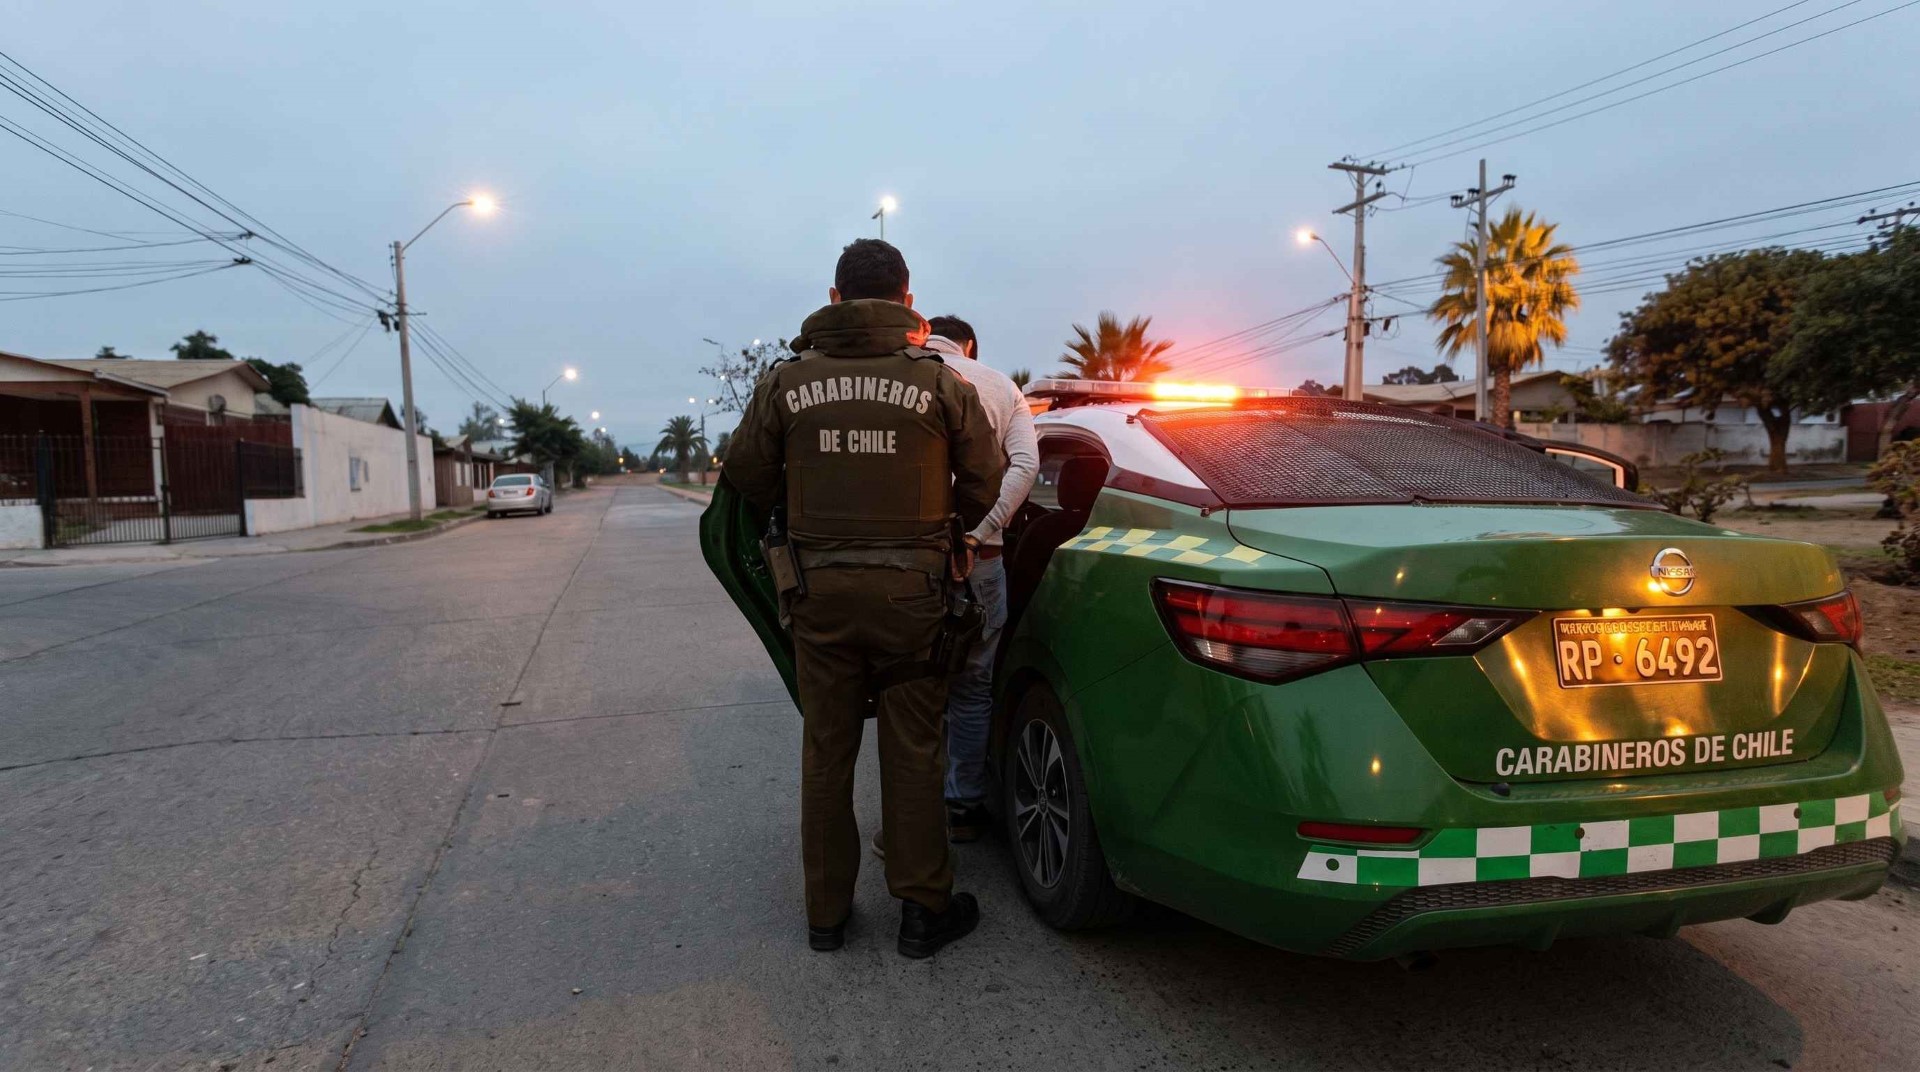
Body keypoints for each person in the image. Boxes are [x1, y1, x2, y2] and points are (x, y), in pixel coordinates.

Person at [723, 239, 1006, 959]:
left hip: (817, 595)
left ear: (836, 296)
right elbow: (985, 482)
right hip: (914, 599)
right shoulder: (939, 381)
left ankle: (827, 916)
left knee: (827, 750)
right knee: (914, 749)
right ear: (909, 305)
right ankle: (921, 912)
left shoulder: (787, 382)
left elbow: (748, 476)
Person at [910, 316, 1038, 842]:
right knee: (972, 688)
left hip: (912, 560)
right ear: (972, 347)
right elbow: (1026, 465)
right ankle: (963, 805)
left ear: (924, 336)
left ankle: (912, 813)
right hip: (979, 558)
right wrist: (981, 530)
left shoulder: (907, 376)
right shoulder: (999, 384)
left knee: (915, 687)